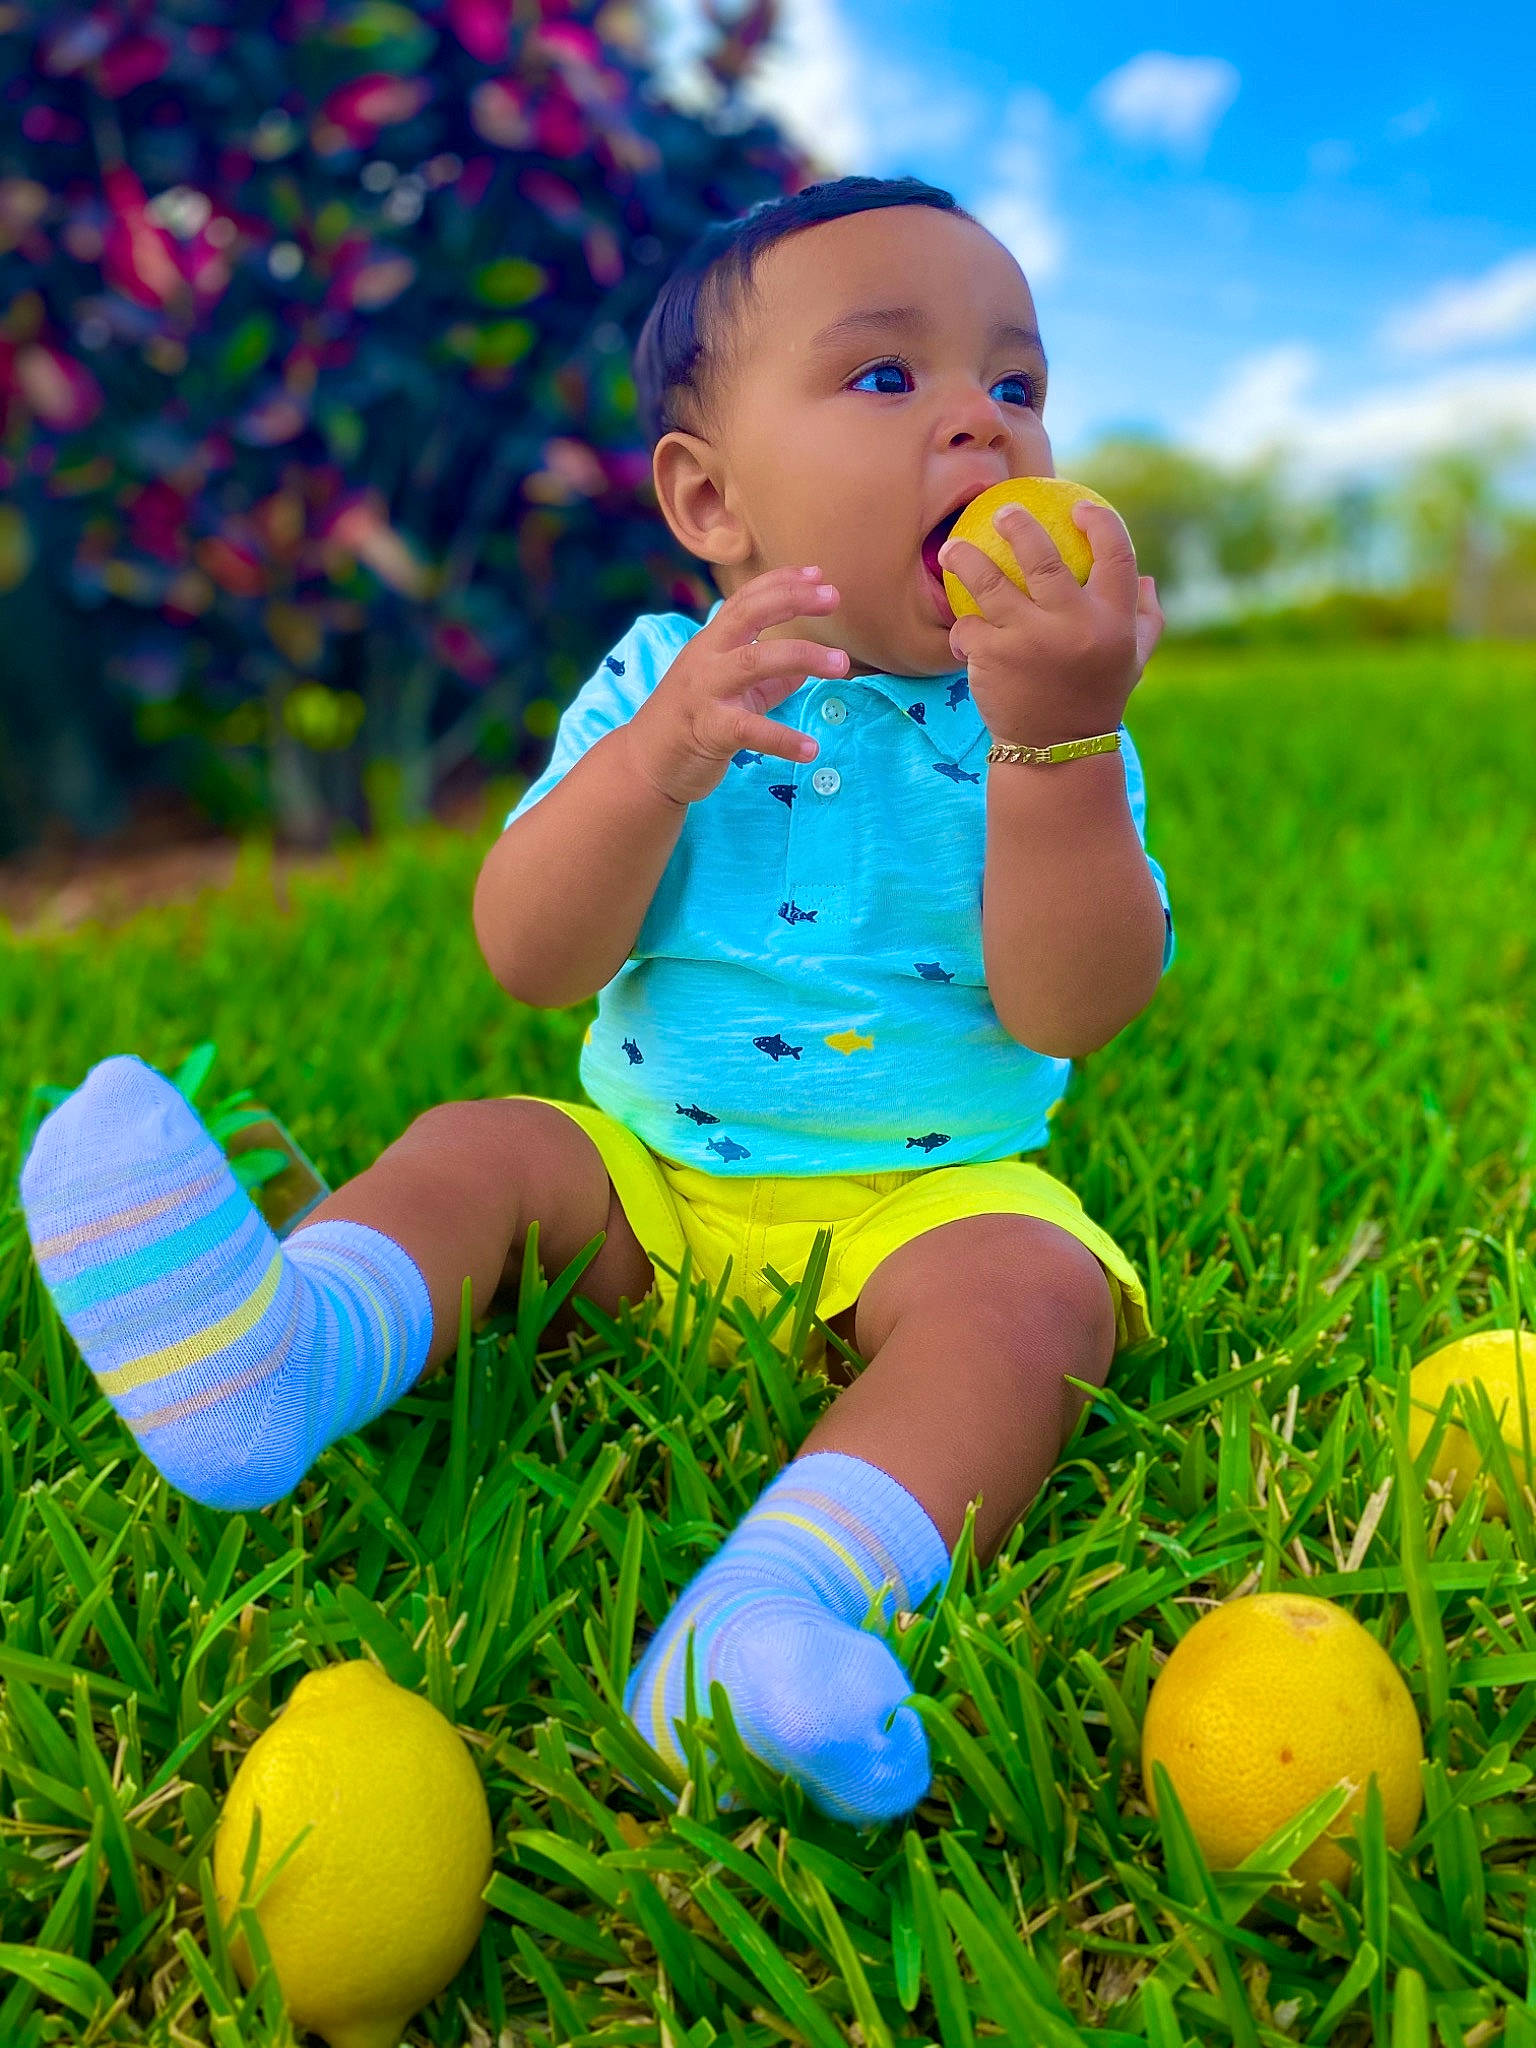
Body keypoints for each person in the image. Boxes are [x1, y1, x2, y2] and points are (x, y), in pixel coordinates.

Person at [19, 174, 1173, 1830]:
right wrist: (656, 769)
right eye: (885, 378)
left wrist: (1057, 742)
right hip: (641, 1186)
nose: (982, 432)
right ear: (711, 503)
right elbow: (531, 958)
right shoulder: (656, 685)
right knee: (481, 1146)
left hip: (932, 1199)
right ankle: (282, 1351)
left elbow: (1072, 1007)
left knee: (1036, 1300)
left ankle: (766, 1621)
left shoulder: (1043, 721)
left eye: (1016, 385)